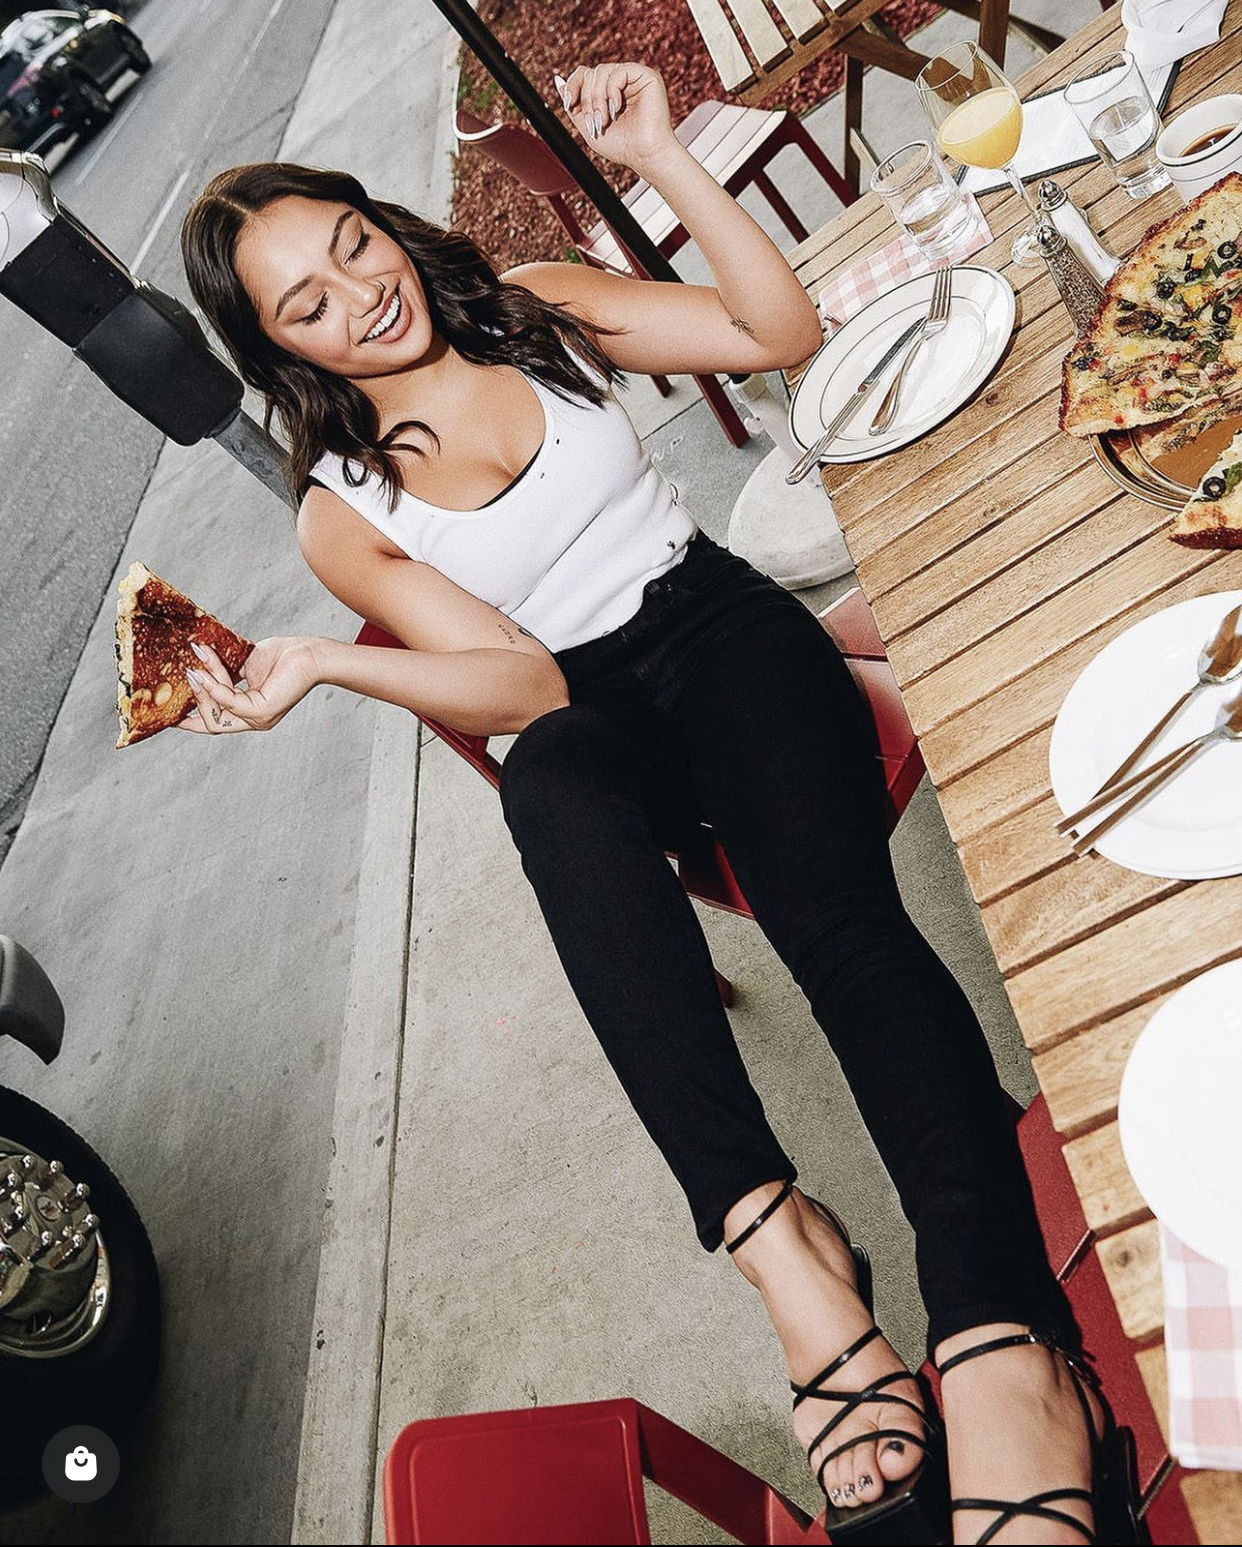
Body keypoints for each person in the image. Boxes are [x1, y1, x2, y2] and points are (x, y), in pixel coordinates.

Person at [178, 62, 1140, 1546]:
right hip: (585, 709)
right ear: (275, 348)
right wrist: (323, 661)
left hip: (724, 637)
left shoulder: (536, 307)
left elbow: (777, 333)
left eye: (354, 245)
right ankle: (779, 1242)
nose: (360, 296)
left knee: (842, 937)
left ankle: (999, 1339)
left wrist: (665, 160)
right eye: (307, 303)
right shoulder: (342, 511)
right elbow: (523, 688)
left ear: (381, 222)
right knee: (552, 786)